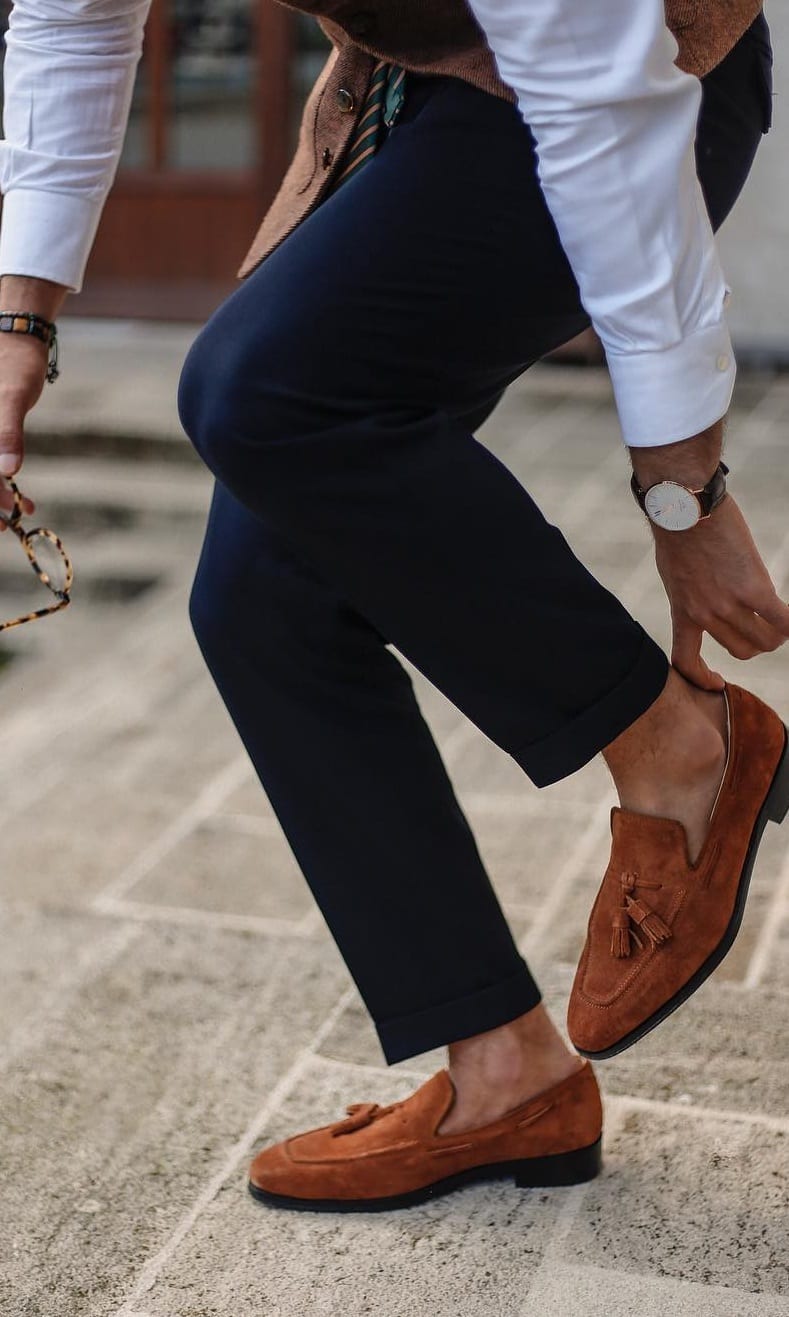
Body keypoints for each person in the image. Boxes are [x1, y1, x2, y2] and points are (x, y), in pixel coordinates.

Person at [0, 0, 786, 1213]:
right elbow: (73, 21)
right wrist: (21, 318)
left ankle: (680, 747)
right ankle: (507, 1073)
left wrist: (681, 490)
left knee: (258, 388)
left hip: (641, 74)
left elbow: (603, 95)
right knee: (260, 594)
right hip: (419, 94)